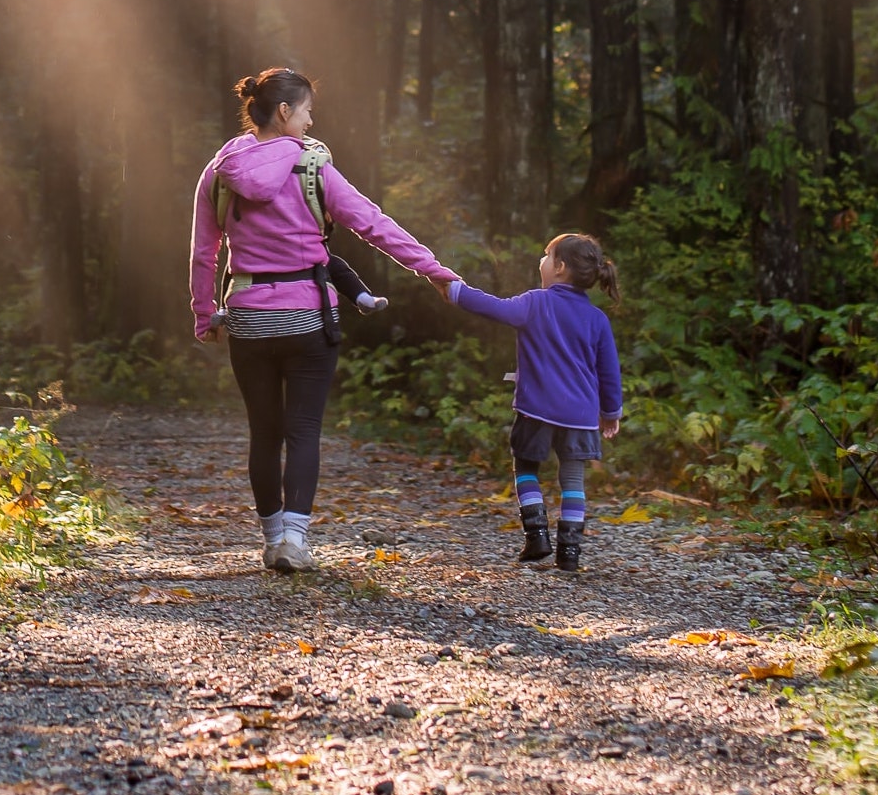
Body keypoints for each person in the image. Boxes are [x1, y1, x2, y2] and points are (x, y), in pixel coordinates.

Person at [191, 68, 458, 573]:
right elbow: (373, 224)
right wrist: (434, 271)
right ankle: (295, 539)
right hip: (310, 317)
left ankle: (271, 541)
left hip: (249, 316)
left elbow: (204, 252)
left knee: (263, 432)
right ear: (286, 111)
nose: (312, 122)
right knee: (304, 430)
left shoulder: (220, 169)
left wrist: (205, 312)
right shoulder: (313, 166)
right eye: (308, 111)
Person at [445, 233, 623, 572]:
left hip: (536, 408)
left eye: (546, 256)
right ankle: (569, 553)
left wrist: (455, 290)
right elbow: (609, 372)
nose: (540, 262)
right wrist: (610, 412)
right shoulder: (598, 319)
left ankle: (537, 535)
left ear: (559, 267)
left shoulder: (535, 303)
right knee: (573, 480)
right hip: (581, 415)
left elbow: (493, 307)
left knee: (525, 467)